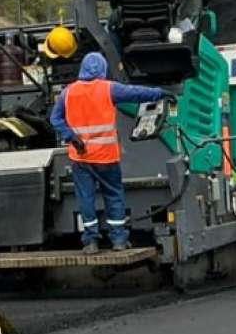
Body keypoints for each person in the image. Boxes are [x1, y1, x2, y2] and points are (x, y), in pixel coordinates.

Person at [49, 52, 165, 253]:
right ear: (103, 69)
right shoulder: (109, 89)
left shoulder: (68, 93)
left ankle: (91, 241)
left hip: (81, 158)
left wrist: (72, 137)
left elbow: (55, 119)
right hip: (106, 157)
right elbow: (135, 93)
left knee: (86, 198)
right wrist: (159, 93)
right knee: (113, 195)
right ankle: (118, 240)